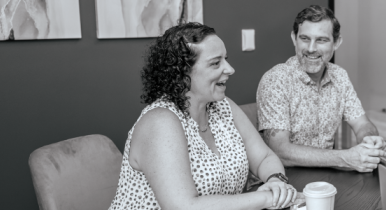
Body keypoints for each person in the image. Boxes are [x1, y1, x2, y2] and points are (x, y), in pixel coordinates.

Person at [109, 22, 301, 210]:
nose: (230, 69)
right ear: (182, 73)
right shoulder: (160, 122)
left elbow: (264, 157)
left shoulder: (223, 107)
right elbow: (183, 206)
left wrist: (277, 181)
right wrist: (265, 199)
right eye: (216, 63)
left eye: (226, 59)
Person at [256, 5, 386, 173]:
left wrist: (370, 140)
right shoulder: (276, 80)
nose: (311, 48)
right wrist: (344, 158)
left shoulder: (340, 76)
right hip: (283, 183)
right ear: (294, 38)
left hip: (327, 178)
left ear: (337, 42)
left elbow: (362, 124)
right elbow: (280, 151)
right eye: (305, 38)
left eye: (321, 40)